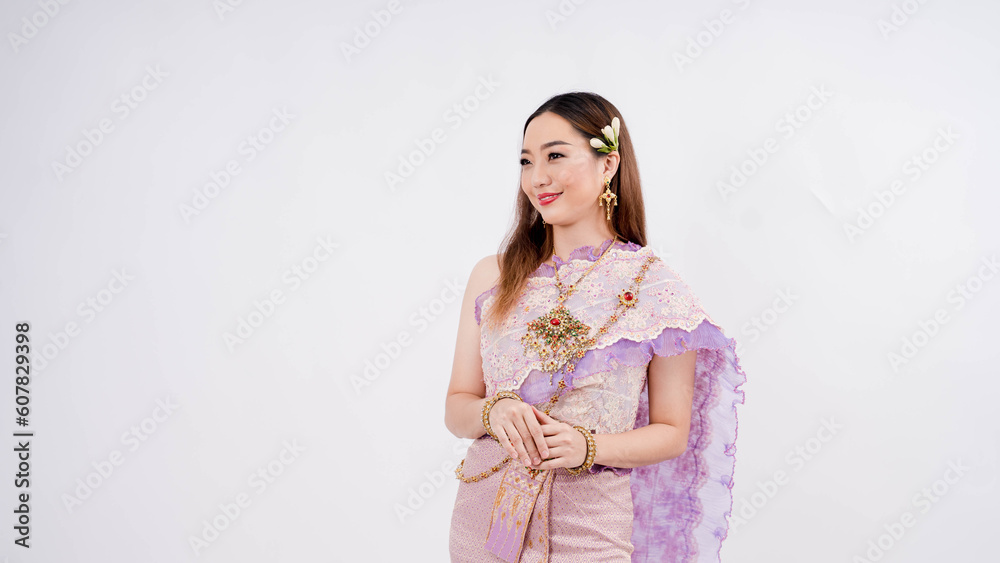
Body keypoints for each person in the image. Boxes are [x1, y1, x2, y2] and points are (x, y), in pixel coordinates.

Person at [444, 91, 747, 562]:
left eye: (556, 156)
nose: (536, 177)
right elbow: (457, 406)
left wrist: (588, 445)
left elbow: (672, 431)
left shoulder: (654, 287)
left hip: (588, 526)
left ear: (608, 164)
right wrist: (494, 411)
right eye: (526, 161)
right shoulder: (495, 275)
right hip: (484, 519)